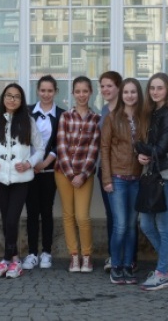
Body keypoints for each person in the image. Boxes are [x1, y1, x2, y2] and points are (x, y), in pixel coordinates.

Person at [0, 84, 44, 279]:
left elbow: (40, 148)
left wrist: (29, 163)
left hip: (21, 178)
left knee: (12, 218)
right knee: (6, 220)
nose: (12, 99)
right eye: (9, 95)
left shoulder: (28, 121)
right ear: (3, 98)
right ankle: (14, 260)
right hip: (0, 177)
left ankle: (6, 260)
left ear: (21, 101)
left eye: (17, 96)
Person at [135, 73, 168, 291]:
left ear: (167, 90)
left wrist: (138, 147)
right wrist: (142, 154)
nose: (155, 92)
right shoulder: (151, 113)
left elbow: (161, 149)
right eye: (152, 88)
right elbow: (152, 149)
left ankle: (162, 273)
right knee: (145, 223)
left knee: (164, 226)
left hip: (167, 174)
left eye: (159, 88)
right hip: (152, 172)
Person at [101, 78, 145, 285]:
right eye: (126, 92)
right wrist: (106, 178)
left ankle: (128, 265)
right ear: (122, 95)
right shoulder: (112, 118)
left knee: (130, 225)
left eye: (133, 92)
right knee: (119, 225)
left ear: (138, 94)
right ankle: (116, 265)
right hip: (117, 178)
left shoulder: (144, 118)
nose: (129, 95)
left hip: (137, 178)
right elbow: (105, 148)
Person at [55, 76, 101, 273]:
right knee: (68, 215)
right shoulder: (66, 117)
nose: (81, 95)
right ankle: (74, 256)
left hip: (85, 174)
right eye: (78, 91)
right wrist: (70, 173)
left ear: (91, 92)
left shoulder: (96, 119)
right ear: (73, 93)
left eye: (85, 91)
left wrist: (81, 174)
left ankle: (87, 256)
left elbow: (94, 149)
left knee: (82, 216)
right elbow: (61, 145)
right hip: (63, 173)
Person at [22, 75, 65, 270]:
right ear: (37, 91)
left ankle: (46, 252)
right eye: (42, 90)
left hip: (49, 170)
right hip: (29, 170)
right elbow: (21, 140)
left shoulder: (63, 115)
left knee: (46, 211)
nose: (46, 94)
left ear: (55, 91)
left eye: (50, 90)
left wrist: (44, 163)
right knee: (31, 211)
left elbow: (60, 144)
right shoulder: (27, 112)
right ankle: (32, 253)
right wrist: (32, 164)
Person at [97, 71, 122, 272]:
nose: (106, 89)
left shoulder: (125, 110)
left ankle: (125, 258)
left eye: (109, 86)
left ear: (118, 88)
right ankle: (114, 256)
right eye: (103, 86)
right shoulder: (104, 110)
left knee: (123, 218)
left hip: (122, 171)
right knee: (112, 216)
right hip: (104, 170)